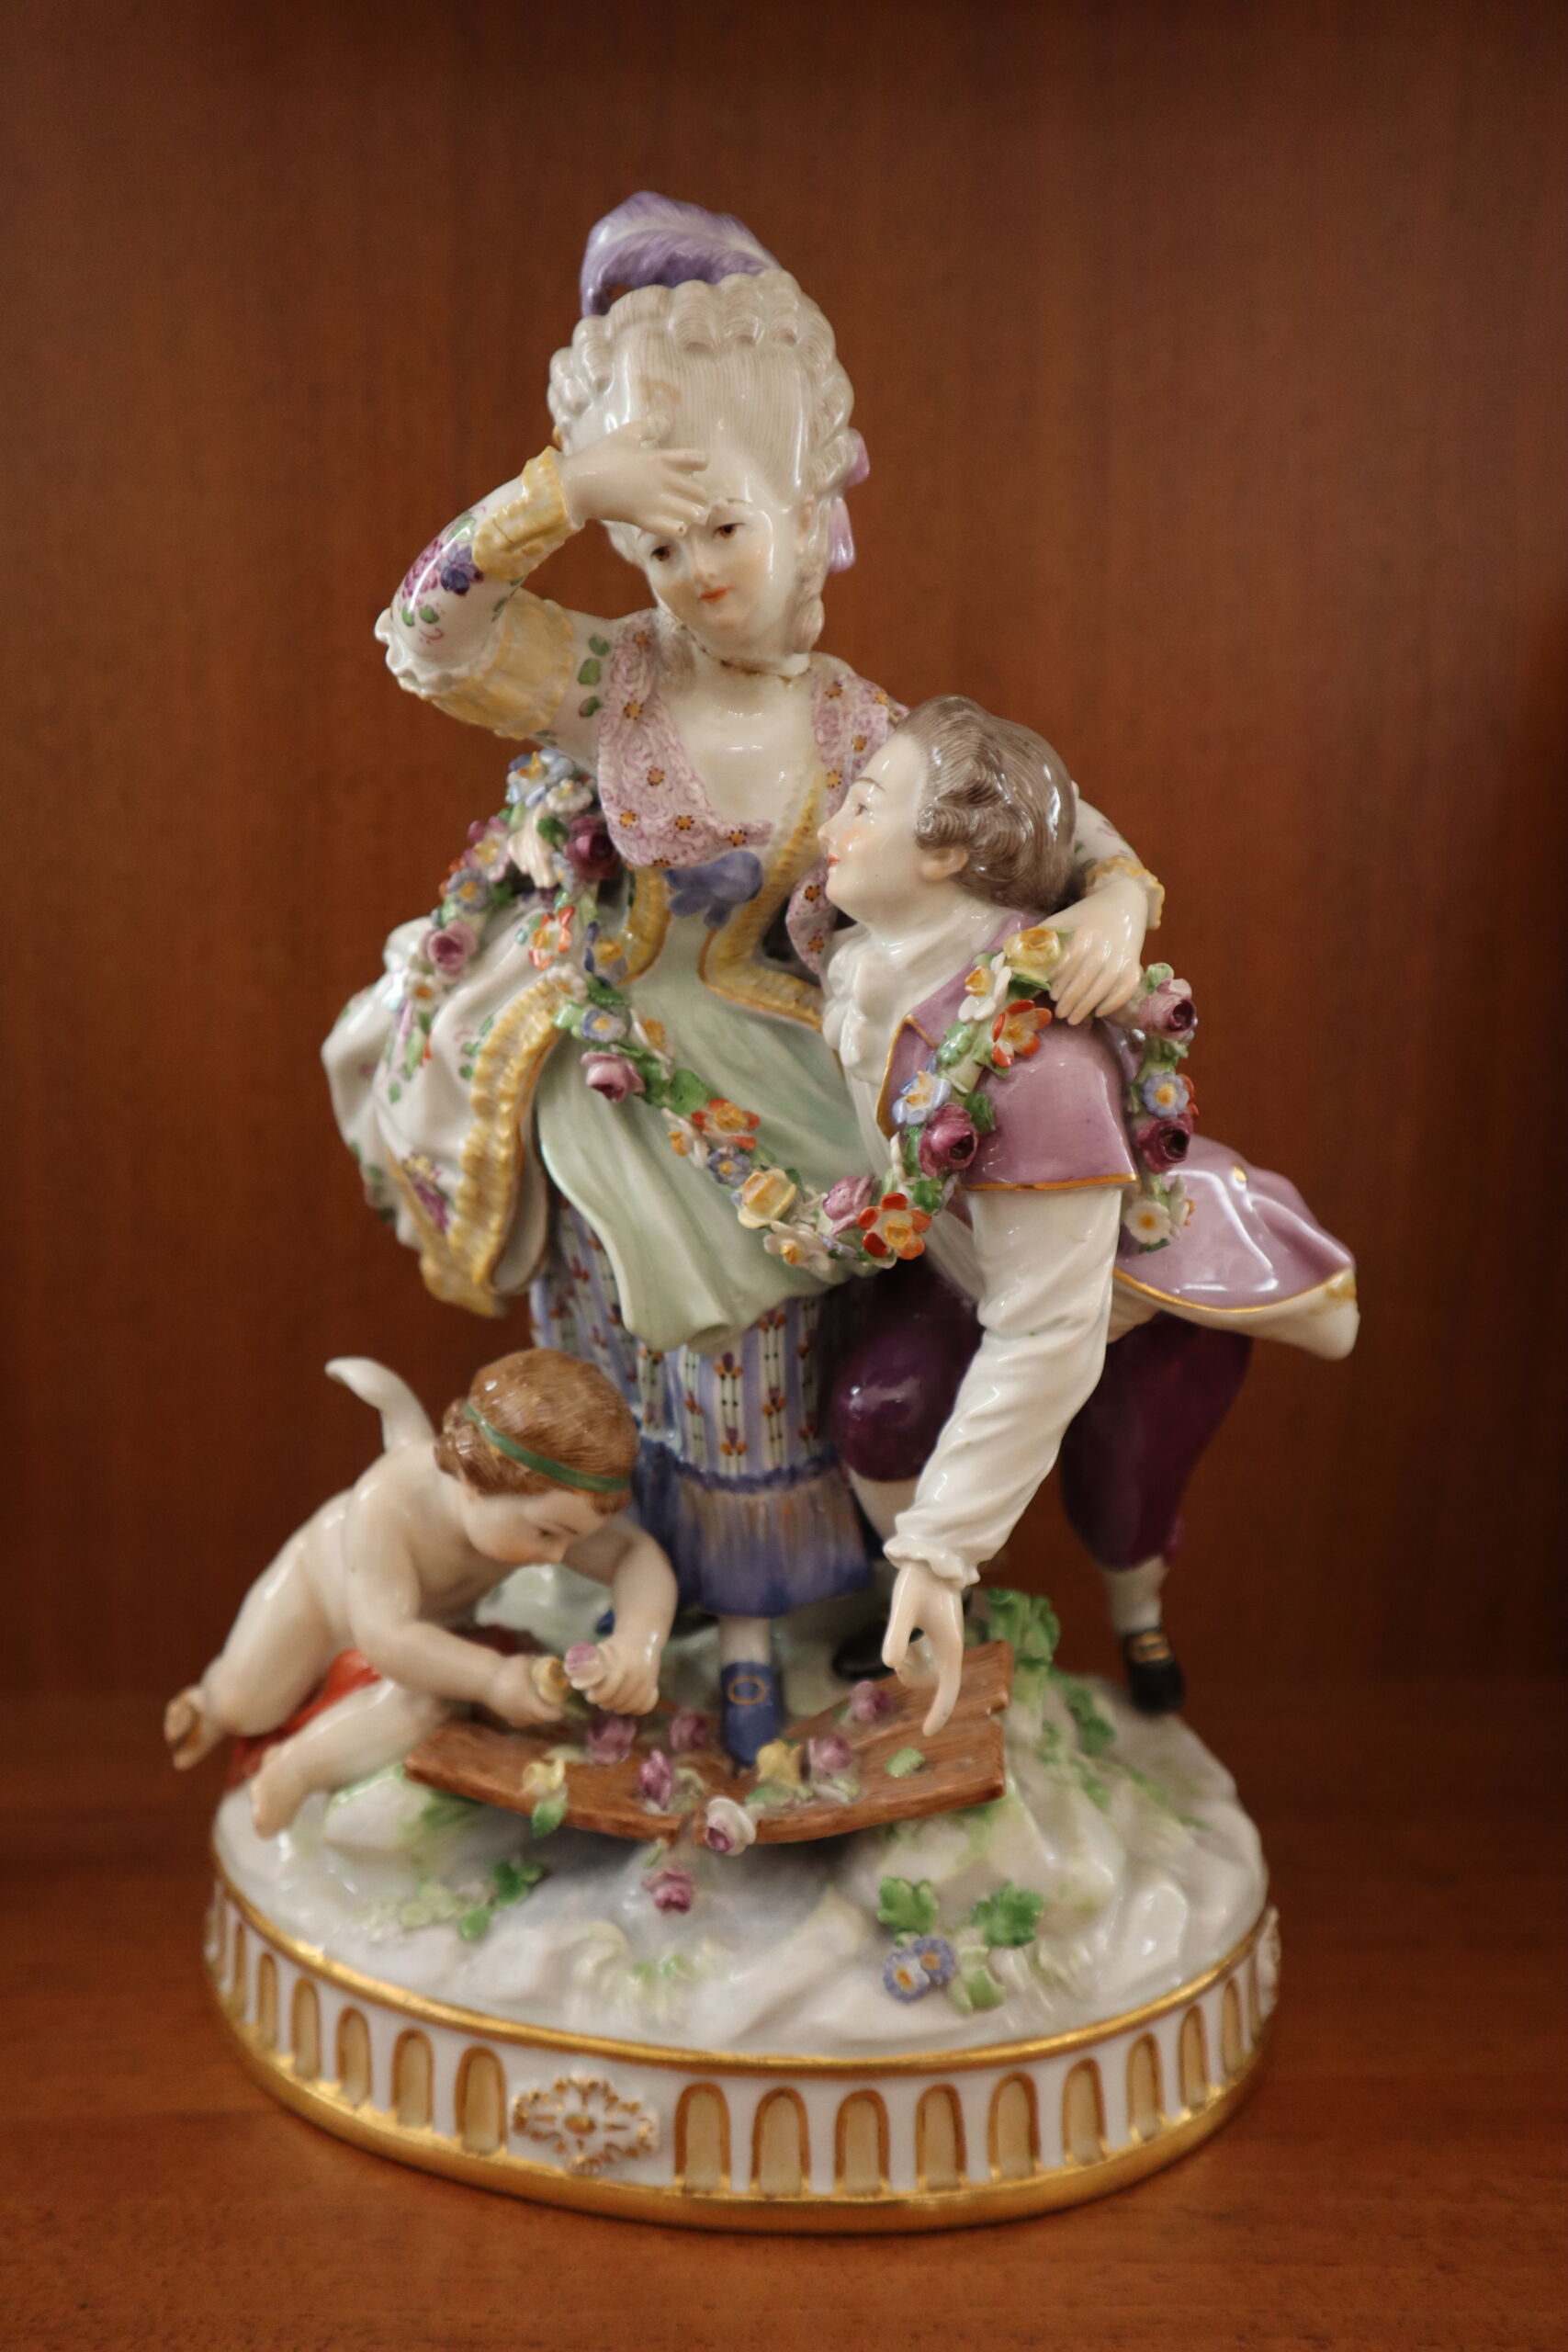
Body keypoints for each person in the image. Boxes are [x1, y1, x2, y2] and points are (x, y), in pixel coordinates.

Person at [325, 195, 1166, 1763]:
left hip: (788, 1068)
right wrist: (558, 493)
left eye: (723, 530)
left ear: (805, 508)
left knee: (770, 1363)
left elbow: (1056, 826)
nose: (693, 572)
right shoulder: (607, 680)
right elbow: (425, 638)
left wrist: (1120, 896)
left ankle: (774, 1620)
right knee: (626, 1348)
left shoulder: (861, 728)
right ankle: (634, 1596)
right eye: (655, 544)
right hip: (610, 1067)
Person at [818, 698, 1358, 1732]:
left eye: (863, 804)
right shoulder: (864, 954)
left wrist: (942, 1546)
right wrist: (1117, 890)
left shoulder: (1034, 1072)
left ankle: (1135, 1612)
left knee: (1122, 1495)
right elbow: (1057, 809)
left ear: (944, 853)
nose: (830, 826)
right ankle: (913, 1601)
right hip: (963, 1263)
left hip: (1118, 1302)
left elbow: (1047, 1332)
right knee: (873, 1414)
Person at [163, 1351, 673, 1835]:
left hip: (432, 1628)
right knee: (246, 1703)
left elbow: (636, 1555)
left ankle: (294, 1769)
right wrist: (494, 1677)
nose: (560, 1555)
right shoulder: (388, 1501)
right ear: (474, 1482)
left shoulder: (540, 1508)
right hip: (320, 1595)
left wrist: (636, 1645)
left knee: (423, 1707)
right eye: (547, 1534)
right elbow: (386, 1637)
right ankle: (209, 1705)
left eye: (572, 1539)